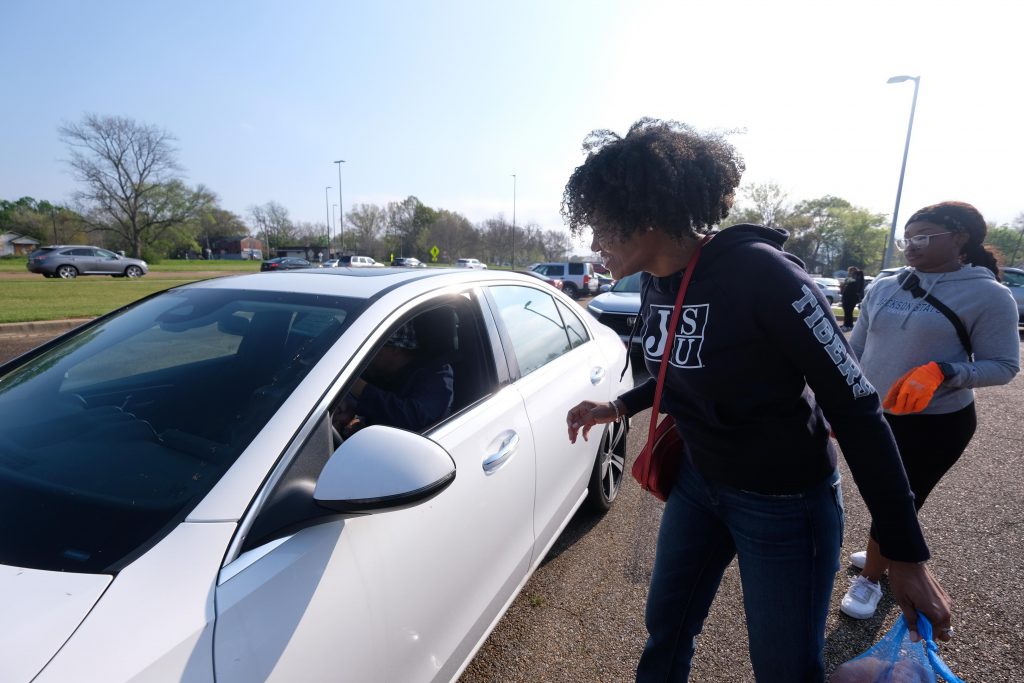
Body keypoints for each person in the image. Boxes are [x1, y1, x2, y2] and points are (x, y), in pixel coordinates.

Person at [561, 118, 952, 682]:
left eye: (600, 226)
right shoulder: (653, 278)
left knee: (784, 667)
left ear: (645, 215)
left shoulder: (763, 275)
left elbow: (856, 407)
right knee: (665, 631)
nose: (593, 243)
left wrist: (906, 552)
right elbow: (684, 368)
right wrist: (619, 407)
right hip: (699, 484)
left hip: (784, 501)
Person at [840, 201, 1019, 620]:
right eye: (908, 237)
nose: (911, 246)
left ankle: (870, 580)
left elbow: (1005, 366)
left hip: (936, 423)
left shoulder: (989, 295)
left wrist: (945, 371)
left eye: (924, 237)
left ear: (960, 239)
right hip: (875, 416)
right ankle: (879, 551)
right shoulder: (887, 285)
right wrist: (840, 399)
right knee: (881, 495)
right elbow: (858, 347)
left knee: (902, 501)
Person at [332, 310, 456, 436]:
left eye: (373, 350)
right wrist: (352, 414)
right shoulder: (377, 372)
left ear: (396, 349)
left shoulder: (437, 374)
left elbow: (414, 419)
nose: (366, 357)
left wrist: (353, 383)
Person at [841, 266, 865, 331]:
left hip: (851, 297)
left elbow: (857, 286)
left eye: (851, 271)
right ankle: (847, 324)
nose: (850, 272)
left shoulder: (858, 276)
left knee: (848, 311)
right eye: (850, 271)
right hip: (847, 297)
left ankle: (848, 325)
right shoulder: (852, 277)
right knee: (847, 311)